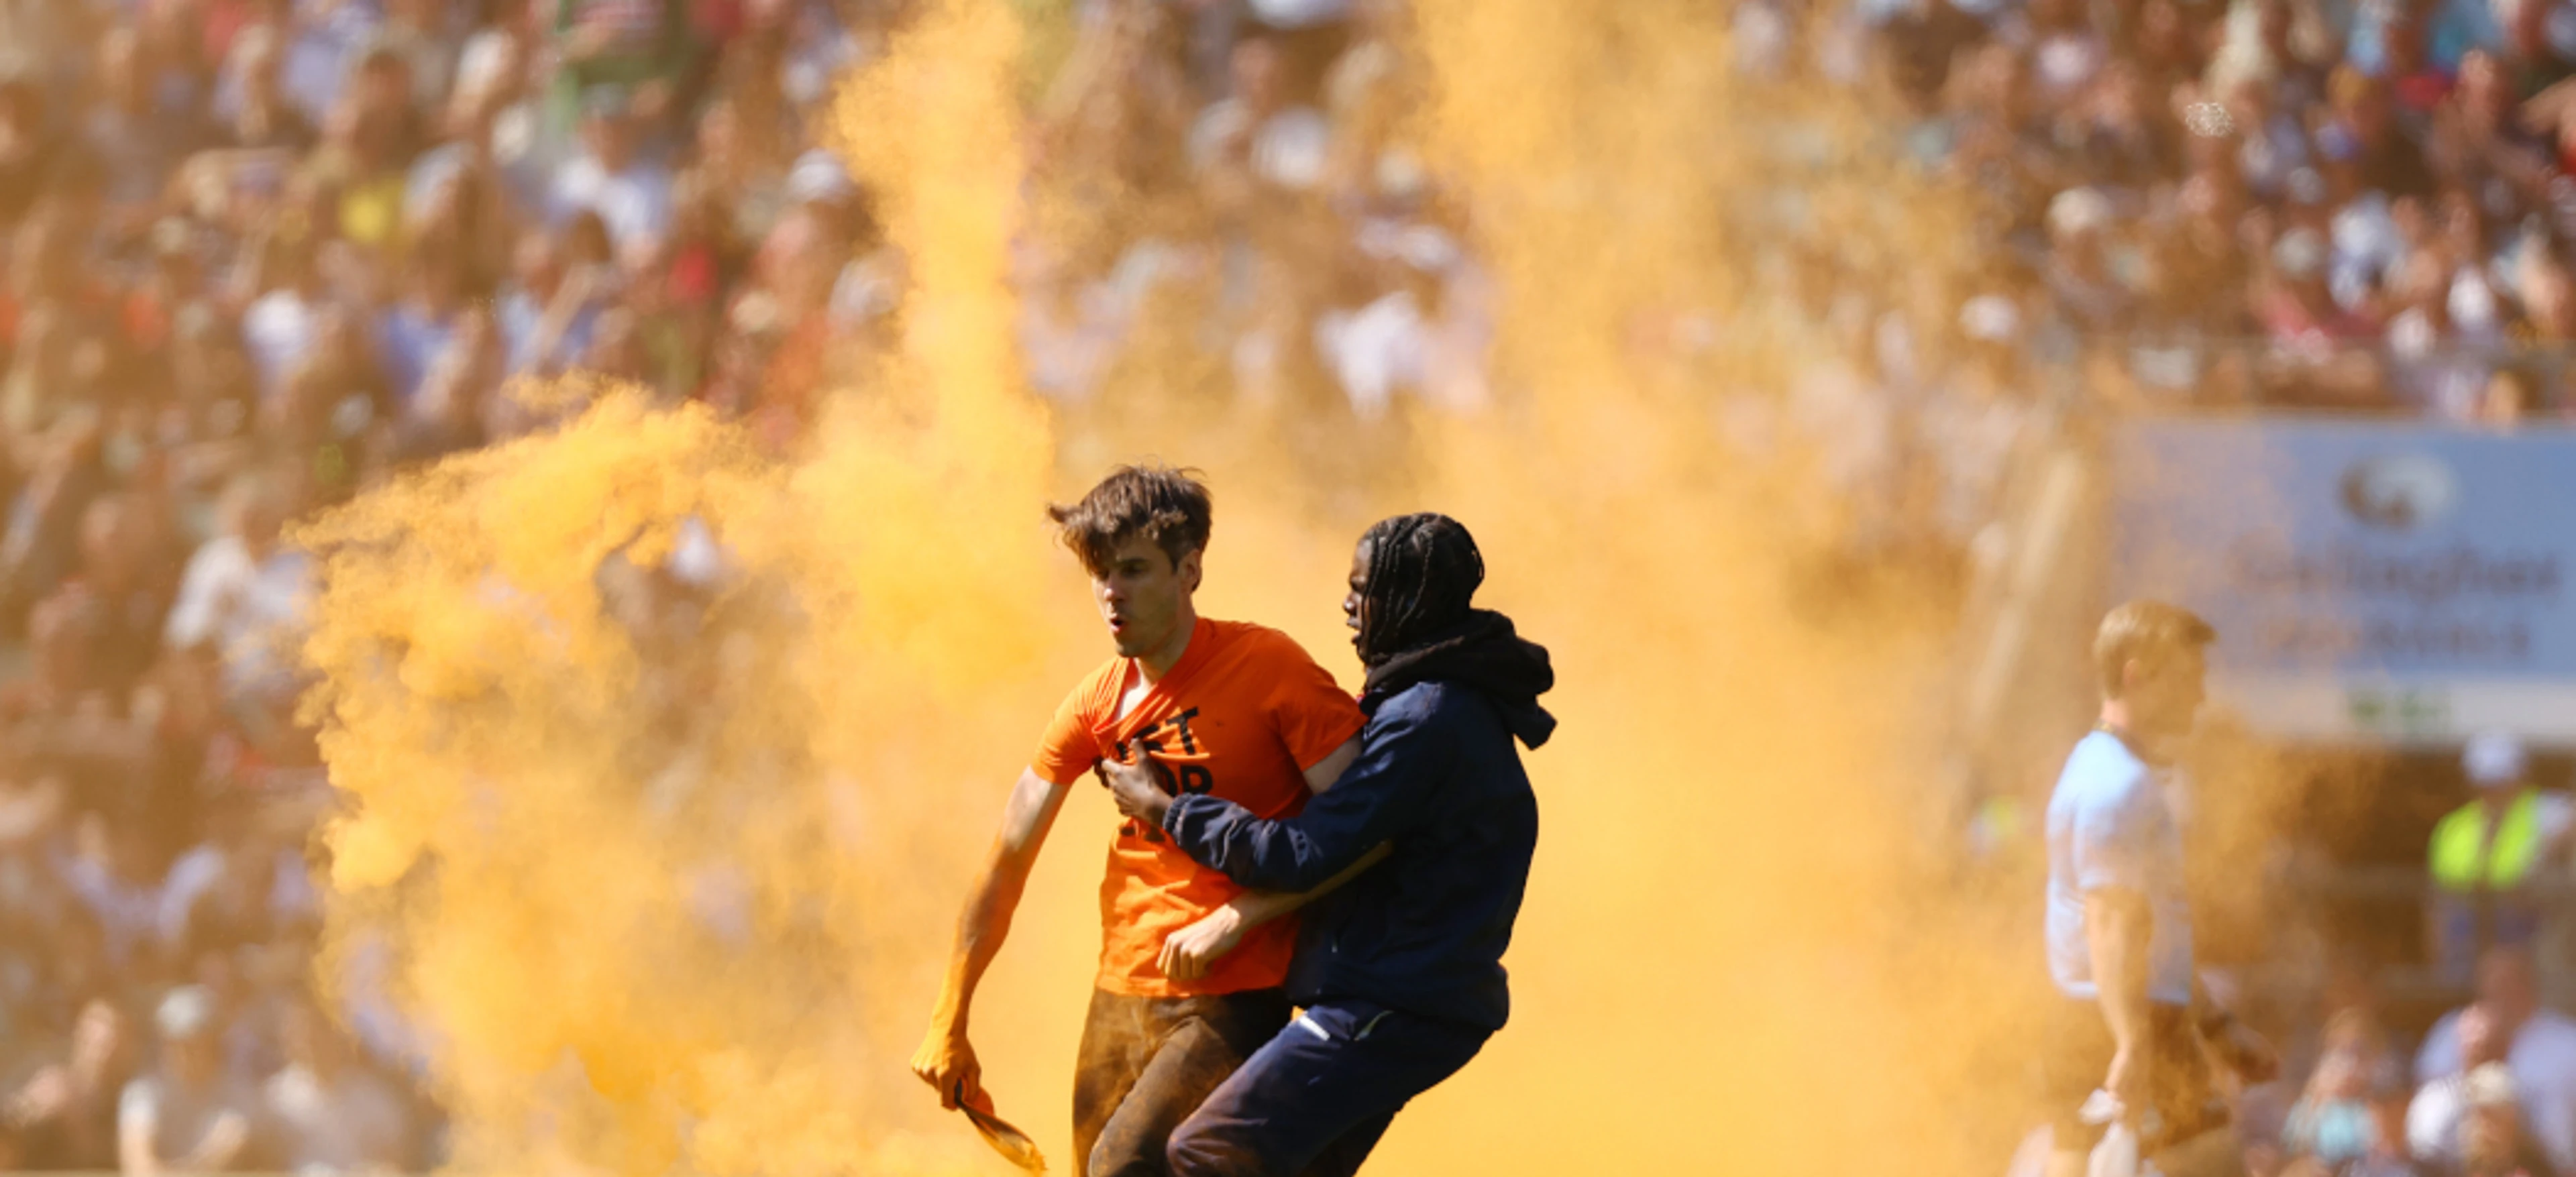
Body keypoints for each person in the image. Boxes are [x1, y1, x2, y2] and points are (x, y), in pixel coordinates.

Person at [908, 465, 1370, 1177]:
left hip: (1236, 989)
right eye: (1100, 573)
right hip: (1121, 987)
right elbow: (1006, 863)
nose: (1110, 593)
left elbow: (1366, 835)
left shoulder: (1270, 667)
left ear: (1190, 570)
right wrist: (950, 1017)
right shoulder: (1095, 705)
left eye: (1132, 570)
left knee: (1120, 1167)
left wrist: (1238, 917)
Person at [1100, 512, 1552, 1177]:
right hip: (1414, 1003)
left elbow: (1304, 855)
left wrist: (1167, 809)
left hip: (1391, 1003)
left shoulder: (1427, 719)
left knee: (1207, 1151)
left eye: (1363, 590)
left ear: (1409, 601)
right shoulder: (1435, 703)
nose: (1347, 604)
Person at [2039, 601, 2278, 1177]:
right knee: (2216, 1167)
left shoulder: (2103, 768)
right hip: (2125, 1018)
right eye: (2187, 677)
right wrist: (2131, 1041)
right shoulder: (2118, 786)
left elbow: (2154, 935)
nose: (2200, 694)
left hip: (2098, 1015)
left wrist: (2217, 1027)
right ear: (2137, 675)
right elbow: (2108, 921)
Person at [2426, 734, 2572, 986]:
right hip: (2463, 932)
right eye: (2485, 782)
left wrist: (2549, 850)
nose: (2493, 791)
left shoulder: (2544, 810)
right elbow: (2433, 900)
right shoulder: (2454, 826)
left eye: (2501, 781)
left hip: (2522, 927)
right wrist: (2436, 952)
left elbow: (2569, 817)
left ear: (2520, 778)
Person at [2416, 948, 2576, 1174]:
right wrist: (2470, 1064)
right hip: (2456, 1168)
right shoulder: (2452, 1032)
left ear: (2529, 984)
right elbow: (2423, 1130)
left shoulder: (2567, 1041)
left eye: (2509, 982)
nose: (2498, 991)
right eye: (2490, 982)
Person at [117, 986, 258, 1175]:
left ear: (213, 1041)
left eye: (195, 1042)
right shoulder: (143, 1091)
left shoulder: (239, 1094)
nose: (184, 1052)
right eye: (175, 1042)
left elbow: (217, 1162)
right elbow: (138, 1167)